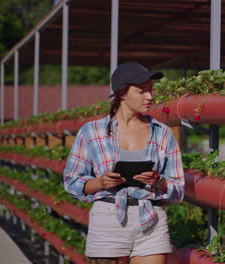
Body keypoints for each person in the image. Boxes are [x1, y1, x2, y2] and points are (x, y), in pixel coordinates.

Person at [63, 61, 185, 264]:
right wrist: (100, 183)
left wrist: (158, 181)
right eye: (141, 91)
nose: (150, 96)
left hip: (150, 219)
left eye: (150, 90)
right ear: (122, 93)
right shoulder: (91, 132)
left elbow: (178, 189)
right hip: (107, 218)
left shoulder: (162, 132)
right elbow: (71, 182)